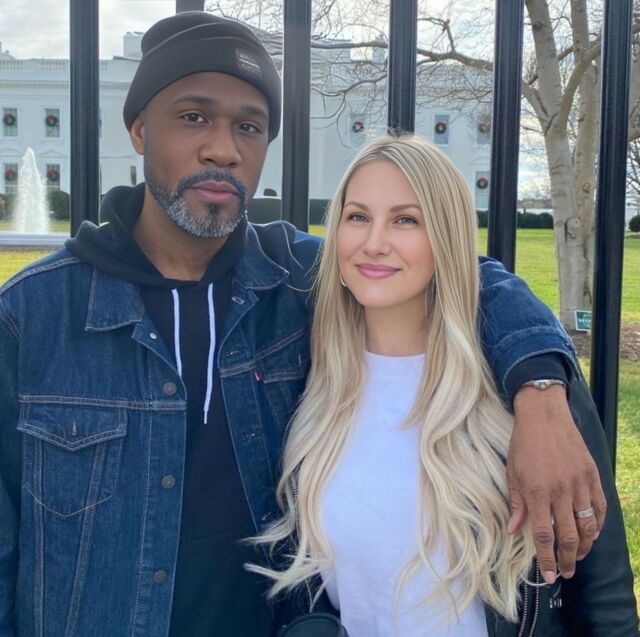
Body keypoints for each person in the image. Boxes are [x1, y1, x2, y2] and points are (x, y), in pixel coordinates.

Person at [0, 11, 610, 637]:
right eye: (193, 117)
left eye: (249, 126)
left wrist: (541, 393)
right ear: (137, 129)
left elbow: (460, 272)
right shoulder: (32, 315)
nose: (223, 148)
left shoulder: (290, 279)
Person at [253, 135, 638, 636]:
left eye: (406, 220)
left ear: (446, 237)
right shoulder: (307, 379)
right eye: (358, 216)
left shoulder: (526, 389)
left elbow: (604, 594)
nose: (374, 242)